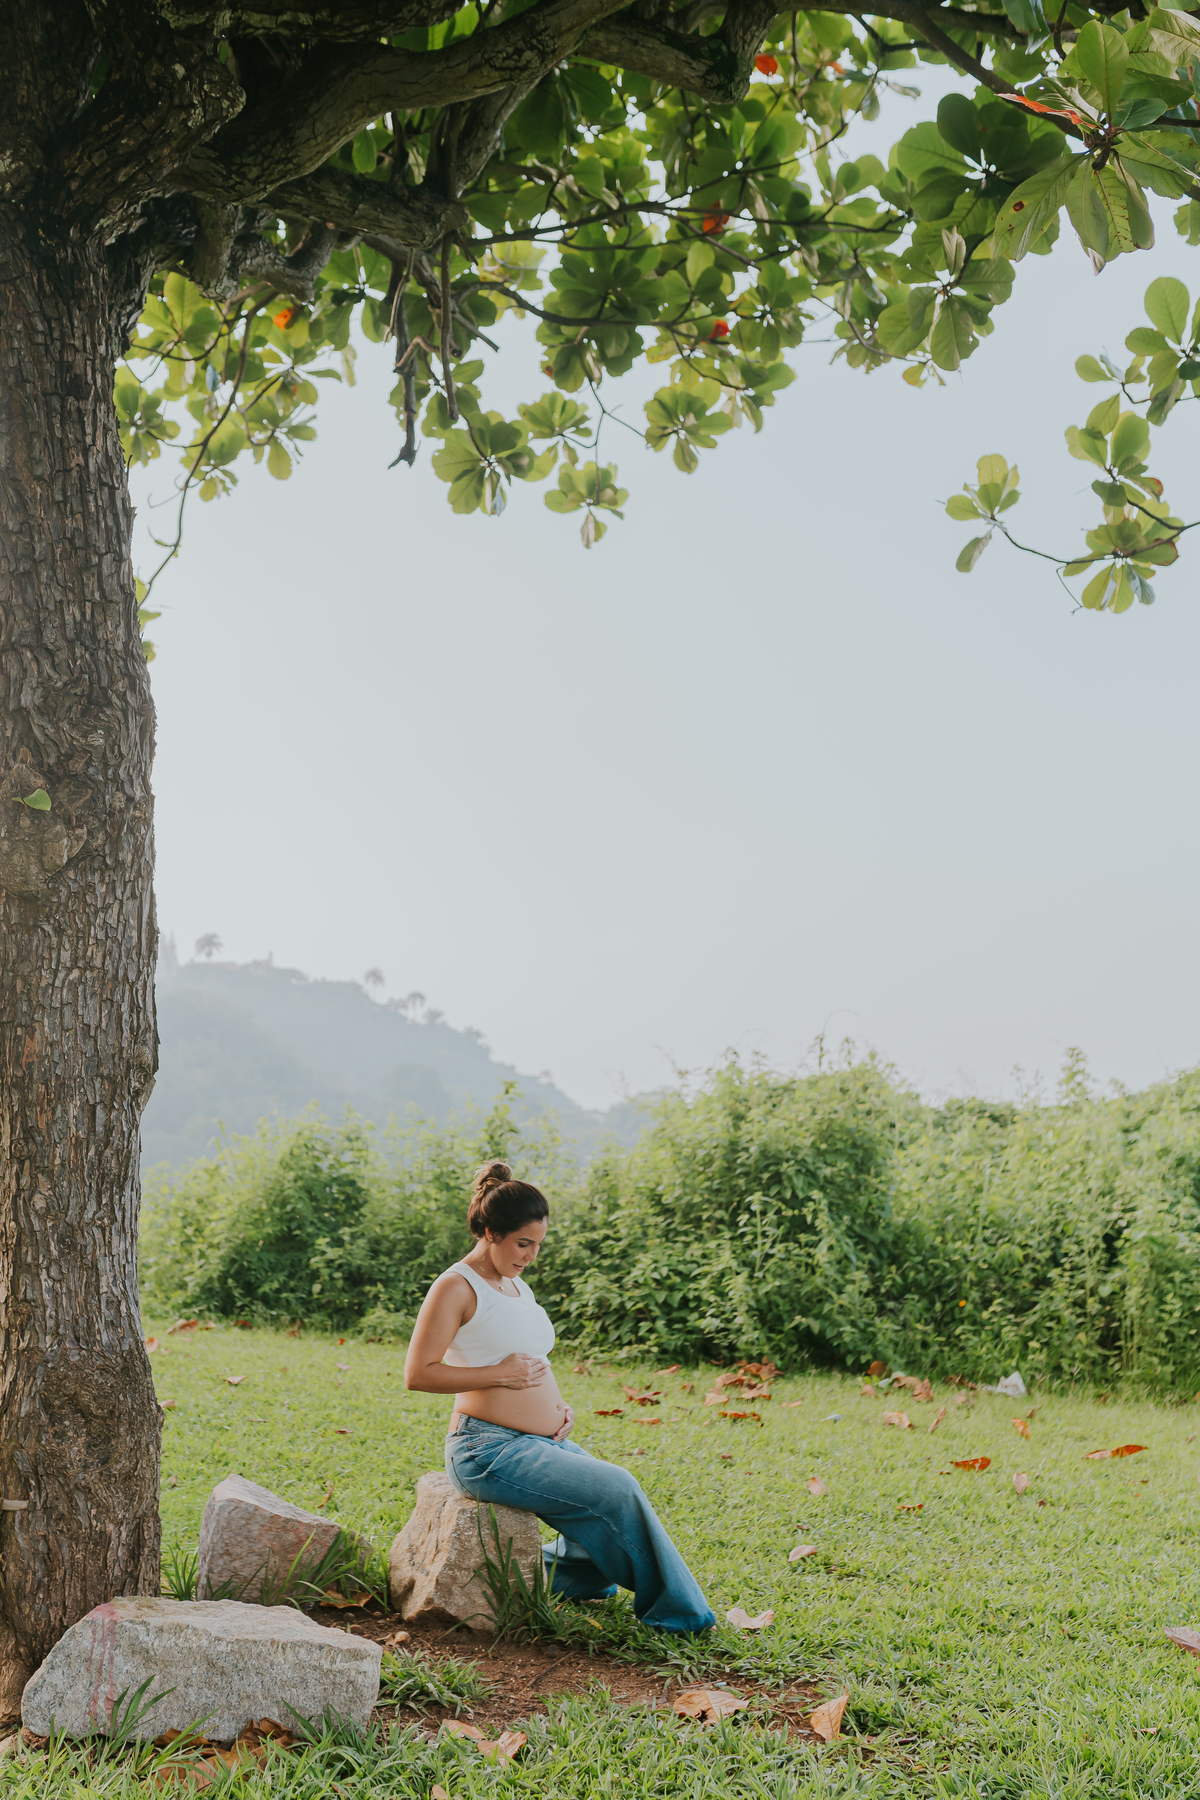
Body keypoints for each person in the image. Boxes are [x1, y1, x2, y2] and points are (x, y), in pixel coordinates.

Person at [403, 1160, 715, 1634]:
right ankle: (681, 1617)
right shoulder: (455, 1286)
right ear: (490, 1232)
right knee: (617, 1487)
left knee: (602, 1499)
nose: (531, 1255)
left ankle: (568, 1577)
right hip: (485, 1449)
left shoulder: (516, 1285)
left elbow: (531, 1360)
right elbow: (418, 1374)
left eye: (538, 1245)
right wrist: (499, 1375)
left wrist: (556, 1410)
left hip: (536, 1441)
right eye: (522, 1243)